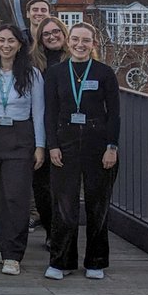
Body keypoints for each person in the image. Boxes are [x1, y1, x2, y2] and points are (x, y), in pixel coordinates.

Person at [44, 22, 121, 281]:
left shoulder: (104, 73)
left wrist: (112, 147)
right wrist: (52, 145)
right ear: (68, 42)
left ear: (93, 44)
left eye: (85, 40)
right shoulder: (55, 73)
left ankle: (96, 261)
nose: (80, 44)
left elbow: (115, 114)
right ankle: (61, 260)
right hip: (64, 144)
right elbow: (50, 113)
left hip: (97, 144)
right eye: (75, 39)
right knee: (64, 206)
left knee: (97, 205)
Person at [0, 24, 45, 276]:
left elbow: (38, 113)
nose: (5, 45)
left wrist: (40, 146)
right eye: (1, 40)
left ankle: (13, 253)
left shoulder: (32, 75)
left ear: (20, 45)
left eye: (11, 41)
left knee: (15, 196)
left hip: (20, 137)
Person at [29, 15, 69, 241]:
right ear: (40, 39)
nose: (52, 36)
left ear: (64, 34)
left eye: (56, 32)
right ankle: (49, 228)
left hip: (68, 128)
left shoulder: (75, 59)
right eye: (46, 34)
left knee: (63, 185)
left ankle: (61, 232)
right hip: (41, 128)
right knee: (41, 185)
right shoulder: (34, 63)